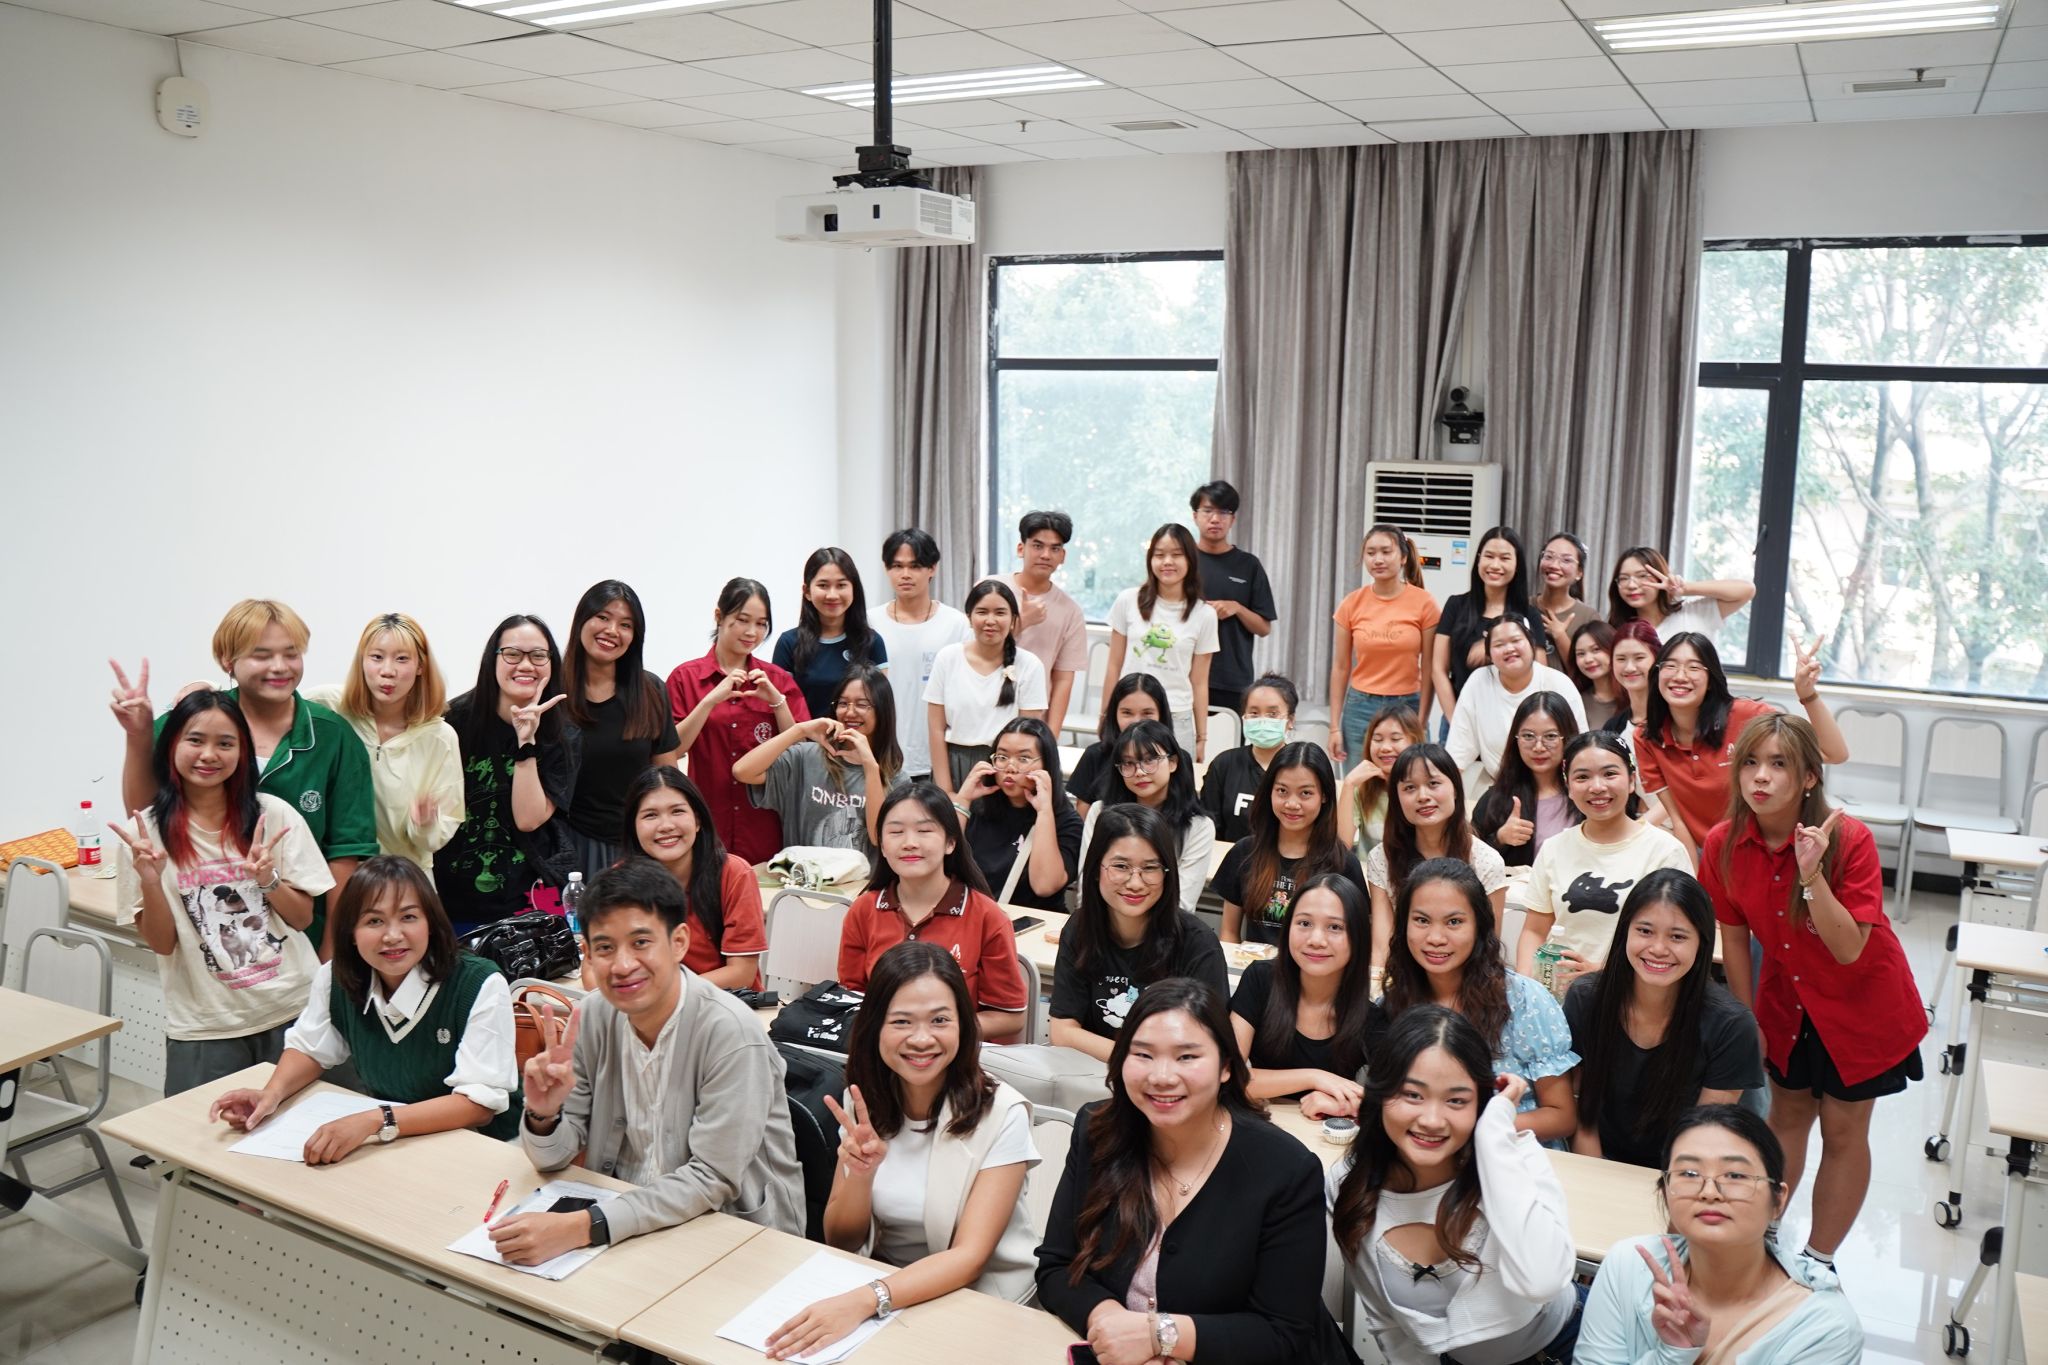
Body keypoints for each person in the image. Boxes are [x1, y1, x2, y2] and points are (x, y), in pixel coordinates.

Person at [496, 859, 803, 1265]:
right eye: (605, 948)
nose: (623, 965)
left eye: (641, 942)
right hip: (627, 1218)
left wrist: (583, 1227)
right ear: (587, 954)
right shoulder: (596, 1016)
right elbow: (552, 1158)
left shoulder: (730, 1033)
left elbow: (711, 1178)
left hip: (731, 1231)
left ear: (679, 942)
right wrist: (543, 1115)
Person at [1703, 713, 1924, 1266]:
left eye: (1779, 764)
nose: (1760, 777)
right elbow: (1734, 938)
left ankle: (1819, 1261)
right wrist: (1746, 1019)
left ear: (1808, 777)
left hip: (1862, 1004)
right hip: (1787, 1000)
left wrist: (1811, 875)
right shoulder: (1724, 843)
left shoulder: (1849, 839)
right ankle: (1762, 1235)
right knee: (1786, 1117)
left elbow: (1848, 947)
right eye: (1751, 763)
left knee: (1844, 1130)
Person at [1036, 977, 1348, 1364]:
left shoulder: (1285, 1169)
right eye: (1143, 1054)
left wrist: (1159, 1336)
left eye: (1187, 1057)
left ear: (1226, 1067)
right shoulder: (1098, 1132)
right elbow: (1057, 1266)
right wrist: (1112, 1322)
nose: (1162, 1076)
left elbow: (1282, 1332)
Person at [767, 944, 1041, 1360]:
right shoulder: (864, 1101)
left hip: (978, 1300)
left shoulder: (1002, 1113)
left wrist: (866, 1299)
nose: (922, 1039)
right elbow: (842, 1239)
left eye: (940, 1020)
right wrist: (860, 1176)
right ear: (875, 1027)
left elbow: (969, 1258)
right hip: (884, 1291)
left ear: (964, 1025)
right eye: (901, 1022)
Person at [208, 856, 522, 1159]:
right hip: (396, 1143)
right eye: (374, 921)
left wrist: (376, 1120)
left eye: (409, 917)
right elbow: (310, 1049)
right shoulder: (337, 978)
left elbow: (478, 1105)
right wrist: (271, 1094)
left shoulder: (478, 983)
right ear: (352, 934)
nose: (393, 936)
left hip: (483, 1150)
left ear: (431, 923)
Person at [113, 599, 377, 955]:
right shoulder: (191, 723)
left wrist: (332, 956)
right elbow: (144, 817)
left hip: (300, 942)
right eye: (261, 655)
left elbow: (345, 856)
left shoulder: (332, 736)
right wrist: (139, 736)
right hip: (207, 941)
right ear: (228, 660)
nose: (279, 667)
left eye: (291, 653)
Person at [108, 690, 333, 1094]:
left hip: (295, 1009)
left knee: (311, 1126)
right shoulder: (144, 835)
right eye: (195, 740)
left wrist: (268, 880)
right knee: (203, 1131)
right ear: (172, 745)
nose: (209, 755)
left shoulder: (273, 815)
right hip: (206, 1024)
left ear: (242, 752)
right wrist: (150, 880)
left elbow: (301, 919)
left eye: (225, 743)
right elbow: (162, 944)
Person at [1329, 1006, 1579, 1365]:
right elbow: (1389, 1325)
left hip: (1563, 1349)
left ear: (1481, 1105)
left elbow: (1542, 1281)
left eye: (1456, 1100)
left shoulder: (1515, 1160)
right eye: (1413, 1095)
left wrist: (1495, 1130)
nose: (1432, 1120)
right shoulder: (1349, 1183)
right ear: (1380, 1093)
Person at [1578, 1106, 1863, 1362]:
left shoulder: (1824, 1327)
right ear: (1665, 1193)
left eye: (1735, 1175)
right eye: (1689, 1174)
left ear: (1778, 1200)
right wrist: (1671, 1355)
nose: (1709, 1192)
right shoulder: (1629, 1266)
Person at [1566, 871, 1764, 1167]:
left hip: (1683, 1166)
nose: (1658, 949)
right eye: (1645, 931)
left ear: (1702, 943)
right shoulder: (1586, 998)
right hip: (1597, 1158)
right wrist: (1595, 1177)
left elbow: (1702, 1138)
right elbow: (1583, 1116)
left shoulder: (1731, 1025)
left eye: (1677, 937)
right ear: (1625, 932)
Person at [1377, 859, 1578, 1140]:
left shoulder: (1525, 1001)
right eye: (1422, 920)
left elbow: (1561, 1116)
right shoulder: (1391, 1004)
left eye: (1454, 922)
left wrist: (1470, 1130)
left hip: (1510, 1153)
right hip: (1424, 1150)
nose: (1436, 937)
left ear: (1479, 926)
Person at [837, 785, 1027, 1043]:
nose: (909, 843)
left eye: (925, 831)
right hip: (884, 1051)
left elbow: (1010, 1017)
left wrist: (936, 1033)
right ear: (882, 845)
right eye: (896, 832)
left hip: (957, 1054)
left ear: (951, 842)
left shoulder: (987, 916)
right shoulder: (863, 910)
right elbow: (851, 997)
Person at [1637, 633, 1845, 864]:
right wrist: (1694, 875)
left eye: (1693, 667)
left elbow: (1834, 753)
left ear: (1711, 679)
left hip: (1764, 848)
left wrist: (1808, 695)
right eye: (1670, 666)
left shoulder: (1746, 716)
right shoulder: (1647, 737)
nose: (1680, 676)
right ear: (1657, 673)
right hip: (1707, 851)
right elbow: (1678, 818)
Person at [1049, 805, 1229, 1063]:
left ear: (1167, 873)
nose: (1135, 883)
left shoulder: (1197, 943)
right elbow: (1063, 1031)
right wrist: (1139, 1060)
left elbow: (1209, 1046)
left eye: (1150, 868)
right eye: (1121, 866)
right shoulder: (1080, 928)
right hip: (1094, 1076)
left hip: (1169, 1079)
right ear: (1096, 869)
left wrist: (1146, 1065)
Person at [1517, 732, 1691, 992]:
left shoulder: (1665, 852)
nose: (1597, 787)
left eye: (1609, 774)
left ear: (1631, 781)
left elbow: (1675, 941)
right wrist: (1528, 986)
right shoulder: (1554, 848)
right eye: (1582, 777)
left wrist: (1601, 973)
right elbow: (1535, 930)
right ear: (1568, 786)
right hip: (1559, 995)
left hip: (1634, 994)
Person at [439, 617, 580, 934]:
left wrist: (526, 741)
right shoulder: (452, 721)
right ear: (493, 660)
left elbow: (528, 819)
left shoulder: (562, 734)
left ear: (552, 664)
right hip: (452, 897)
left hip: (527, 901)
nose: (526, 665)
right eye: (513, 654)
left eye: (538, 656)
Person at [301, 612, 464, 882]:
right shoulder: (328, 706)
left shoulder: (440, 738)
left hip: (402, 881)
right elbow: (269, 708)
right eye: (377, 657)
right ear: (362, 661)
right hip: (335, 879)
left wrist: (425, 823)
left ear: (420, 666)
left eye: (402, 659)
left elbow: (437, 836)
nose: (388, 671)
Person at [666, 577, 810, 865]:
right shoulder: (685, 678)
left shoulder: (777, 680)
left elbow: (803, 750)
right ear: (719, 616)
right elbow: (673, 750)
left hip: (764, 825)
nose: (752, 632)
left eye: (761, 624)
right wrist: (709, 701)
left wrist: (777, 702)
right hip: (706, 821)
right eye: (743, 620)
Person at [560, 580, 682, 876]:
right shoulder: (554, 693)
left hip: (639, 843)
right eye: (603, 617)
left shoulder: (650, 689)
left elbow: (667, 776)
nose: (612, 630)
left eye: (625, 625)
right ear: (581, 621)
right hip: (573, 843)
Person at [1230, 874, 1378, 1118]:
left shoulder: (1371, 1016)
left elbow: (1396, 1101)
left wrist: (1348, 1105)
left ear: (1358, 937)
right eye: (1304, 923)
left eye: (1335, 927)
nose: (1316, 940)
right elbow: (1228, 1076)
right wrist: (1314, 1077)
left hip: (1321, 1135)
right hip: (1259, 1121)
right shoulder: (1261, 979)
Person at [1365, 744, 1509, 980]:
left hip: (1467, 980)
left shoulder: (1486, 861)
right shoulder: (1382, 858)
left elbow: (1487, 945)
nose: (1423, 796)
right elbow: (1382, 948)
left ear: (1455, 790)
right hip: (1403, 980)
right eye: (1409, 788)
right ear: (1396, 799)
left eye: (1433, 784)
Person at [620, 768, 768, 991]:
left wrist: (664, 991)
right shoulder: (622, 880)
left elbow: (741, 974)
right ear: (634, 827)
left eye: (677, 811)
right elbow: (595, 967)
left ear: (698, 820)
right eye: (650, 815)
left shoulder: (734, 874)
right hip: (649, 1004)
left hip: (723, 1003)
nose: (666, 826)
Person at [1213, 742, 1367, 948]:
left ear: (1324, 796)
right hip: (1254, 966)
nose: (1292, 804)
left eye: (1305, 793)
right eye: (1282, 791)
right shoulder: (1244, 852)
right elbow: (1229, 932)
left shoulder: (1343, 864)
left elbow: (1357, 940)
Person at [734, 665, 902, 851]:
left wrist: (870, 767)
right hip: (802, 870)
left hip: (861, 871)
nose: (850, 712)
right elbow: (742, 771)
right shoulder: (806, 757)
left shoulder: (896, 777)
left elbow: (878, 838)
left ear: (882, 711)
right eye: (843, 703)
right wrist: (800, 730)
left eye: (862, 705)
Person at [1102, 523, 1220, 762]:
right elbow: (1114, 665)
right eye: (1159, 555)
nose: (1167, 561)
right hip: (1129, 713)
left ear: (1190, 560)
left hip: (1176, 717)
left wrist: (1201, 737)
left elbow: (1199, 682)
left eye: (1176, 554)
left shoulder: (1205, 614)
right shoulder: (1127, 600)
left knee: (1175, 782)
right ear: (1150, 559)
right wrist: (1104, 716)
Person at [1329, 523, 1439, 772]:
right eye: (1371, 553)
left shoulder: (1425, 603)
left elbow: (1430, 668)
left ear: (1403, 557)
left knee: (1410, 778)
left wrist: (1422, 720)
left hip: (1408, 705)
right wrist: (1334, 727)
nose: (1378, 559)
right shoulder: (1351, 603)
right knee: (1360, 782)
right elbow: (1340, 667)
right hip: (1360, 707)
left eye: (1386, 552)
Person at [926, 578, 1049, 796]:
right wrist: (946, 791)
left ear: (1013, 620)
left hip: (1005, 770)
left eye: (1000, 613)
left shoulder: (1030, 665)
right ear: (969, 617)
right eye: (982, 612)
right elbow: (936, 729)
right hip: (953, 764)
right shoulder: (947, 658)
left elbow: (1028, 738)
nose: (990, 620)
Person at [1079, 721, 1215, 914]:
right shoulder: (1100, 812)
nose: (1139, 772)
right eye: (1128, 763)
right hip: (1104, 922)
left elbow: (1182, 904)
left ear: (1173, 762)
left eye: (1150, 760)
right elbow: (1087, 886)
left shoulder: (1198, 826)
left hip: (1164, 927)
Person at [1444, 616, 1587, 793]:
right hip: (1501, 788)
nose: (1509, 649)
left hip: (1557, 788)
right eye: (1499, 644)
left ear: (1532, 644)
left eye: (1516, 640)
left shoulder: (1559, 683)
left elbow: (1580, 748)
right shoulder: (1478, 681)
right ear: (1489, 654)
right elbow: (1459, 749)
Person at [872, 529, 971, 782]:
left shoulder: (956, 624)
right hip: (880, 756)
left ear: (932, 568)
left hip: (937, 759)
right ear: (886, 569)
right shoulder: (870, 622)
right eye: (897, 566)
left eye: (915, 566)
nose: (905, 574)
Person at [959, 718, 1082, 915]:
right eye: (1002, 757)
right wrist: (963, 800)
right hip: (977, 917)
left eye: (1023, 759)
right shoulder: (978, 807)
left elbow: (1044, 886)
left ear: (1046, 765)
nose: (1010, 767)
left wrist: (1044, 812)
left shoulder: (1067, 821)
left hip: (1032, 922)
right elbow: (941, 865)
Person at [1432, 527, 1543, 730]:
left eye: (1505, 558)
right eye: (1489, 556)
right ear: (1478, 560)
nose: (1495, 565)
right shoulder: (1456, 605)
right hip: (1459, 718)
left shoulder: (1529, 615)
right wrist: (1456, 721)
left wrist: (1493, 646)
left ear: (1517, 565)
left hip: (1511, 723)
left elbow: (1539, 671)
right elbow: (1438, 669)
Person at [1189, 480, 1278, 716]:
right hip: (1184, 674)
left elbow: (1264, 628)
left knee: (1229, 739)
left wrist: (1237, 608)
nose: (1215, 519)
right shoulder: (1183, 561)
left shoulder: (1249, 565)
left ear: (1233, 519)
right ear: (1195, 516)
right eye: (1208, 511)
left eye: (1223, 512)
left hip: (1232, 679)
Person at [774, 547, 890, 720]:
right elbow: (779, 708)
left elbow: (880, 708)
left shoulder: (872, 642)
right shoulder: (788, 643)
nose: (832, 595)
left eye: (841, 585)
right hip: (804, 737)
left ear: (854, 589)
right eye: (823, 585)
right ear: (807, 591)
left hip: (857, 737)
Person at [1470, 692, 1580, 872]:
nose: (1538, 747)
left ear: (1567, 737)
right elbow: (1470, 864)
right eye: (1528, 736)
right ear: (1516, 740)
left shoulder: (1585, 793)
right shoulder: (1494, 799)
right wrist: (1500, 839)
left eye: (1550, 736)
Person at [1008, 510, 1089, 737]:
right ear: (1021, 548)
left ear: (1063, 556)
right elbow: (971, 648)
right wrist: (1022, 622)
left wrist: (1051, 737)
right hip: (982, 710)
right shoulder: (991, 588)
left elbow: (1063, 680)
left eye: (1054, 549)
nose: (1045, 555)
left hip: (1032, 718)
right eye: (1037, 546)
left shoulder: (1070, 611)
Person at [1199, 673, 1295, 845]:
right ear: (1244, 717)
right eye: (1254, 713)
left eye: (1272, 714)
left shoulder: (1301, 768)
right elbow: (1209, 827)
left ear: (1290, 720)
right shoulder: (1224, 765)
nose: (1263, 721)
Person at [1070, 674, 1172, 817]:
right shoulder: (1095, 754)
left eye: (1147, 713)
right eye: (1127, 713)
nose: (1136, 721)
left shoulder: (1174, 756)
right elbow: (1083, 818)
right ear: (1114, 714)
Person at [1606, 546, 1754, 640]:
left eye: (1642, 576)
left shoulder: (1694, 613)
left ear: (1660, 576)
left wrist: (1685, 589)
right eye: (1624, 578)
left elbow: (1746, 590)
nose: (1631, 585)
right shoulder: (1618, 631)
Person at [1335, 705, 1426, 857]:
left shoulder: (1425, 791)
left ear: (1415, 742)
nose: (1385, 748)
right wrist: (1349, 784)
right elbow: (1342, 845)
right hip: (1368, 870)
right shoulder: (1362, 789)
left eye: (1395, 739)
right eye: (1377, 739)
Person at [1534, 531, 1603, 672]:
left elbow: (1587, 673)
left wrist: (1560, 636)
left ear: (1579, 573)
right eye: (1548, 557)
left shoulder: (1588, 616)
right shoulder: (1523, 606)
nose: (1554, 565)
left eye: (1566, 560)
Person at [1565, 619, 1625, 730]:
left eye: (1596, 649)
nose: (1588, 659)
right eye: (1581, 654)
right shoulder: (1576, 701)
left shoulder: (1633, 696)